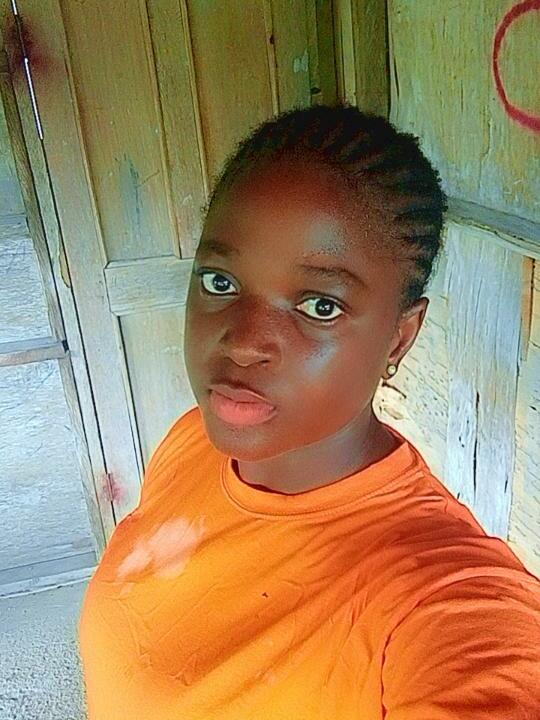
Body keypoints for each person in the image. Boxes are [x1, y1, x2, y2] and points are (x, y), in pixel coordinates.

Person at [78, 105, 540, 719]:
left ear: (398, 339)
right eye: (219, 282)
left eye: (320, 305)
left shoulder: (440, 596)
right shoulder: (192, 442)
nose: (243, 343)